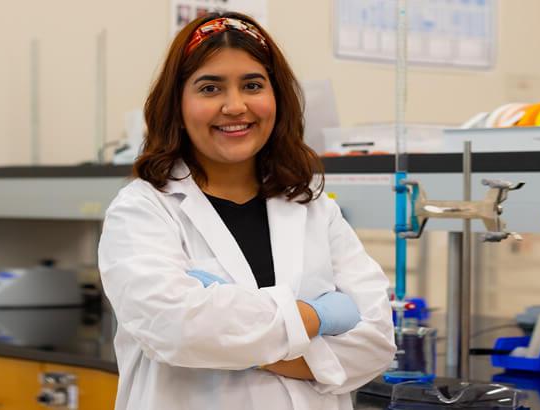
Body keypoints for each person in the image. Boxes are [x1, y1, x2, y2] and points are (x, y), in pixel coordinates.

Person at [97, 12, 396, 410]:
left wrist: (229, 330)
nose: (235, 106)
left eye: (252, 85)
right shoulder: (143, 210)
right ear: (178, 106)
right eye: (210, 88)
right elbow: (179, 330)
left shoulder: (312, 208)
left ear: (277, 98)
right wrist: (319, 317)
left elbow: (375, 341)